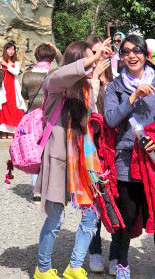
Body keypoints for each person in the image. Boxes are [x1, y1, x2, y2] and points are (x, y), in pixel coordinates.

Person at [33, 37, 113, 279]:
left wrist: (99, 80)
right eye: (89, 57)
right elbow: (62, 75)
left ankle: (75, 266)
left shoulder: (87, 88)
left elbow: (95, 119)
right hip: (59, 159)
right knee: (55, 218)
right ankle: (42, 269)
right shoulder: (55, 85)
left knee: (92, 214)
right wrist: (91, 61)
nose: (94, 62)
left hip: (83, 160)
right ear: (77, 61)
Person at [105, 34, 155, 279]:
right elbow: (112, 119)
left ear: (146, 54)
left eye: (136, 51)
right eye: (126, 52)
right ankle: (123, 264)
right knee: (127, 215)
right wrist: (134, 96)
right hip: (127, 158)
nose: (131, 56)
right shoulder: (115, 86)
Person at [85, 36, 119, 275]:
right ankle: (95, 251)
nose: (101, 57)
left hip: (116, 151)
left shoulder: (118, 83)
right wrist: (95, 79)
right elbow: (85, 116)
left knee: (118, 203)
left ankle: (117, 253)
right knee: (95, 205)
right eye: (96, 52)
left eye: (105, 51)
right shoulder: (85, 84)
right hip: (92, 153)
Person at [21, 43, 58, 197]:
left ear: (36, 56)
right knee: (49, 151)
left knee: (33, 151)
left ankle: (36, 188)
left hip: (31, 118)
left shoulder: (27, 75)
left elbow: (24, 95)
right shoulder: (55, 73)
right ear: (52, 57)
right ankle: (50, 186)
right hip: (52, 116)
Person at [0, 41, 26, 137]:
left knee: (15, 108)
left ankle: (12, 132)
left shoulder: (16, 62)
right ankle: (4, 132)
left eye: (13, 49)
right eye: (9, 49)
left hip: (13, 88)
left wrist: (6, 65)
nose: (11, 51)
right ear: (5, 50)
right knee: (4, 108)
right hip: (3, 88)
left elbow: (16, 72)